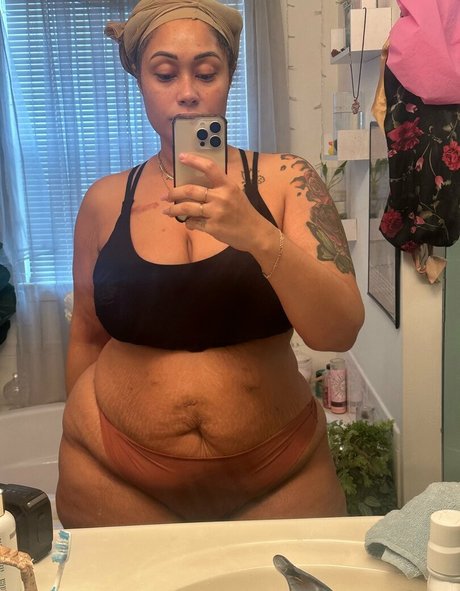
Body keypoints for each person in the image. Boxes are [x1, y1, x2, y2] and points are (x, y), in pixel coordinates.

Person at [56, 0, 364, 527]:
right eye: (164, 74)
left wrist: (257, 235)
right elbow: (86, 333)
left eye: (206, 72)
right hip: (113, 470)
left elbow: (339, 330)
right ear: (139, 81)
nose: (187, 92)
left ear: (229, 77)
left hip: (279, 469)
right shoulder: (104, 201)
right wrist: (80, 424)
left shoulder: (288, 180)